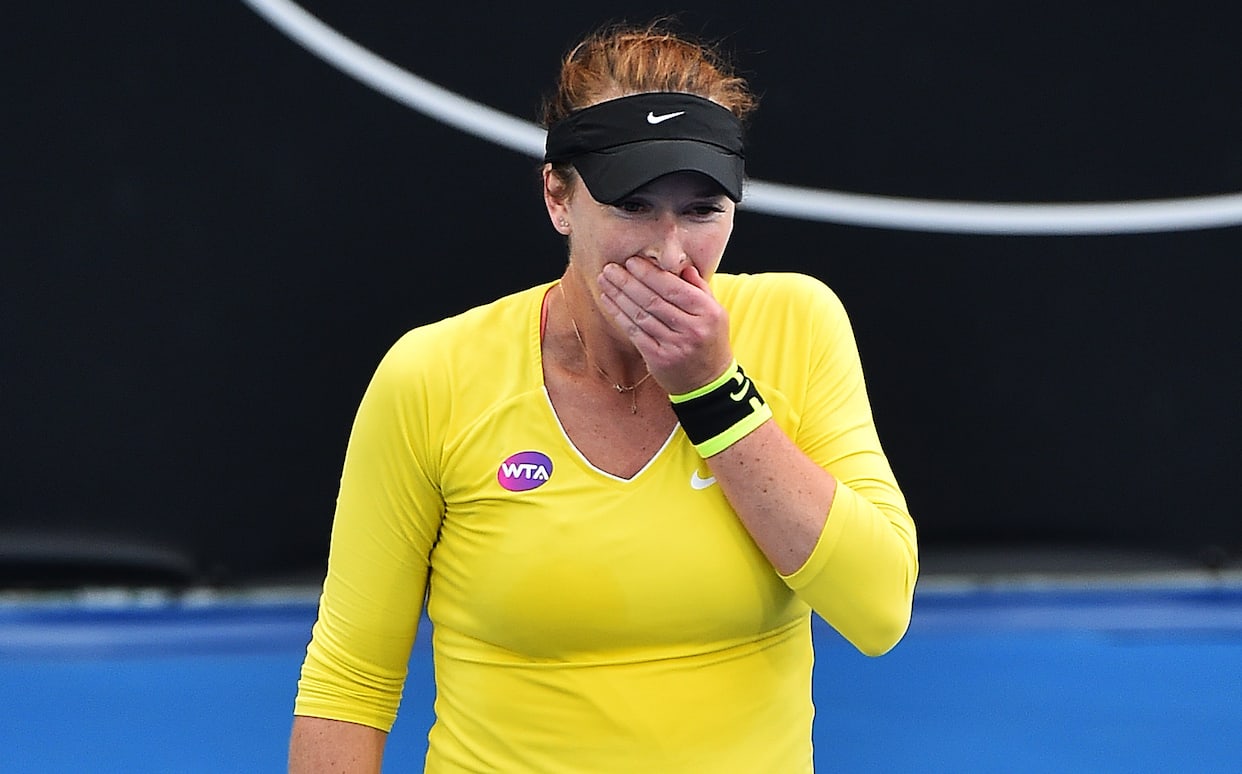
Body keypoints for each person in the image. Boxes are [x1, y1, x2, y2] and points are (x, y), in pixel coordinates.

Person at [289, 21, 918, 773]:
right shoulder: (431, 375)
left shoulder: (800, 324)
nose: (669, 251)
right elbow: (351, 679)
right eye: (633, 206)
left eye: (702, 209)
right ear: (558, 196)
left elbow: (879, 609)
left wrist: (715, 395)